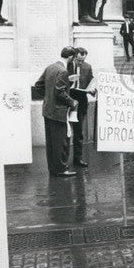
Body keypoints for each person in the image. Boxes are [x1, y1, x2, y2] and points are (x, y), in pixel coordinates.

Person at [35, 47, 79, 177]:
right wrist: (72, 102)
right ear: (71, 57)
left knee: (51, 143)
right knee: (61, 142)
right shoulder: (63, 71)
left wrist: (49, 97)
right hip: (59, 112)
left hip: (48, 110)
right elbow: (60, 92)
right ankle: (61, 169)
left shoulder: (50, 67)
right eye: (74, 58)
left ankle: (53, 169)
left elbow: (38, 85)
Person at [67, 47, 95, 168]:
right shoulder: (66, 66)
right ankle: (64, 161)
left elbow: (91, 81)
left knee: (79, 133)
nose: (80, 63)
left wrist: (93, 90)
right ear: (74, 57)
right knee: (66, 133)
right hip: (68, 100)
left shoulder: (87, 67)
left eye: (82, 61)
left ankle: (77, 159)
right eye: (78, 60)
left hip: (81, 102)